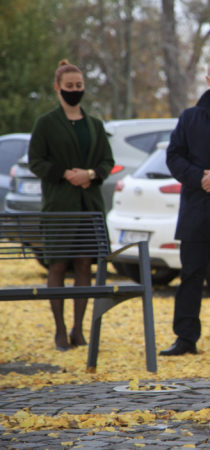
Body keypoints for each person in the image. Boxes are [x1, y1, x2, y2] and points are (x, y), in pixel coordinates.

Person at [28, 59, 114, 351]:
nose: (75, 90)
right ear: (58, 88)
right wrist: (65, 174)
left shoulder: (95, 125)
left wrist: (89, 174)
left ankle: (79, 329)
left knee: (82, 267)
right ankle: (60, 330)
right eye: (69, 86)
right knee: (58, 265)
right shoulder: (46, 124)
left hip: (88, 206)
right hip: (59, 206)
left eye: (79, 86)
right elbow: (36, 161)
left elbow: (107, 161)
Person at [160, 58, 210, 356]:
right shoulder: (190, 117)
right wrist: (201, 179)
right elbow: (174, 157)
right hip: (197, 211)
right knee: (191, 275)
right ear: (206, 77)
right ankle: (185, 337)